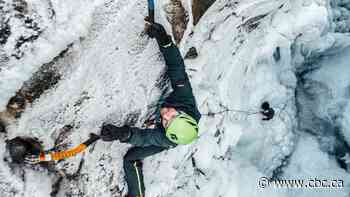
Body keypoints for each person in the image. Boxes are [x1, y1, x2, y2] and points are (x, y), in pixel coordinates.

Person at [100, 22, 201, 197]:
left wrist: (121, 133)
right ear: (183, 113)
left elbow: (144, 138)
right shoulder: (185, 99)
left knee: (130, 159)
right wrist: (165, 41)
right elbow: (177, 69)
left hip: (164, 140)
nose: (167, 114)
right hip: (181, 126)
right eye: (174, 115)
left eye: (166, 122)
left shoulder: (165, 138)